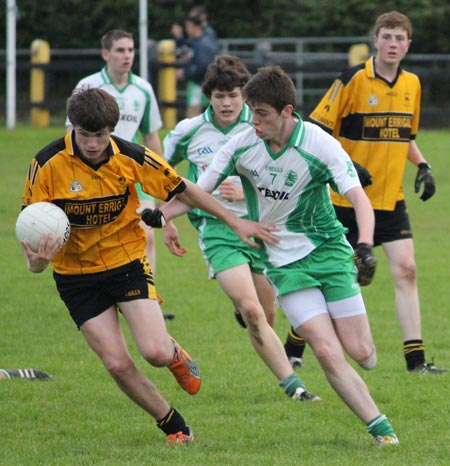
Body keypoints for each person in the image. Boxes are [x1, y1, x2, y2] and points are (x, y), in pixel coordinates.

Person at [156, 65, 399, 445]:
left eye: (262, 113)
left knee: (362, 352)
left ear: (287, 111)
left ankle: (351, 341)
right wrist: (161, 214)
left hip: (329, 251)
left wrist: (364, 244)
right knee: (324, 349)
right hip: (284, 263)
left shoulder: (318, 144)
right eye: (251, 111)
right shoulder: (241, 145)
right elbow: (198, 192)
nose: (253, 121)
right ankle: (382, 432)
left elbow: (359, 200)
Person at [19, 88, 277, 445]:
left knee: (154, 352)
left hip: (125, 261)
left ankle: (174, 354)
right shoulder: (46, 164)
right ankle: (172, 424)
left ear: (111, 130)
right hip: (75, 276)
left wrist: (235, 222)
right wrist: (35, 263)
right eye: (85, 134)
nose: (93, 144)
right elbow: (32, 234)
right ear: (71, 127)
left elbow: (183, 187)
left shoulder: (131, 155)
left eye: (101, 135)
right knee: (116, 363)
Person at [162, 54, 316, 402]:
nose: (227, 103)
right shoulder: (189, 132)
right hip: (219, 231)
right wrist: (163, 215)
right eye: (219, 96)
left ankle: (256, 326)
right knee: (251, 309)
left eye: (234, 95)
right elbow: (157, 174)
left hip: (263, 228)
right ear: (208, 97)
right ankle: (295, 387)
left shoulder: (263, 125)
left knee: (266, 311)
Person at [309, 11, 447, 374]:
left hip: (391, 199)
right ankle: (295, 347)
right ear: (376, 40)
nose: (393, 44)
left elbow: (405, 136)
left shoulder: (412, 85)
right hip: (346, 199)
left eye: (399, 39)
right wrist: (347, 166)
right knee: (332, 276)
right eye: (387, 37)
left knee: (408, 270)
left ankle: (415, 361)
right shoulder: (352, 79)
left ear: (408, 45)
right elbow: (316, 129)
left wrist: (424, 166)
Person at [66, 30, 161, 275]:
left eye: (130, 50)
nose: (127, 56)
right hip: (95, 174)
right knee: (101, 239)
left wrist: (159, 178)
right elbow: (70, 134)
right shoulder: (88, 86)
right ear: (106, 53)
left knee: (146, 234)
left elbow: (150, 136)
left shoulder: (143, 89)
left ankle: (148, 297)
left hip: (133, 174)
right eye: (120, 50)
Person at [171, 14, 218, 118]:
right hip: (200, 84)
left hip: (200, 84)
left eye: (188, 26)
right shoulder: (194, 41)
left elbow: (203, 66)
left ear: (195, 27)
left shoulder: (203, 44)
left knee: (193, 115)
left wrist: (185, 72)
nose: (186, 29)